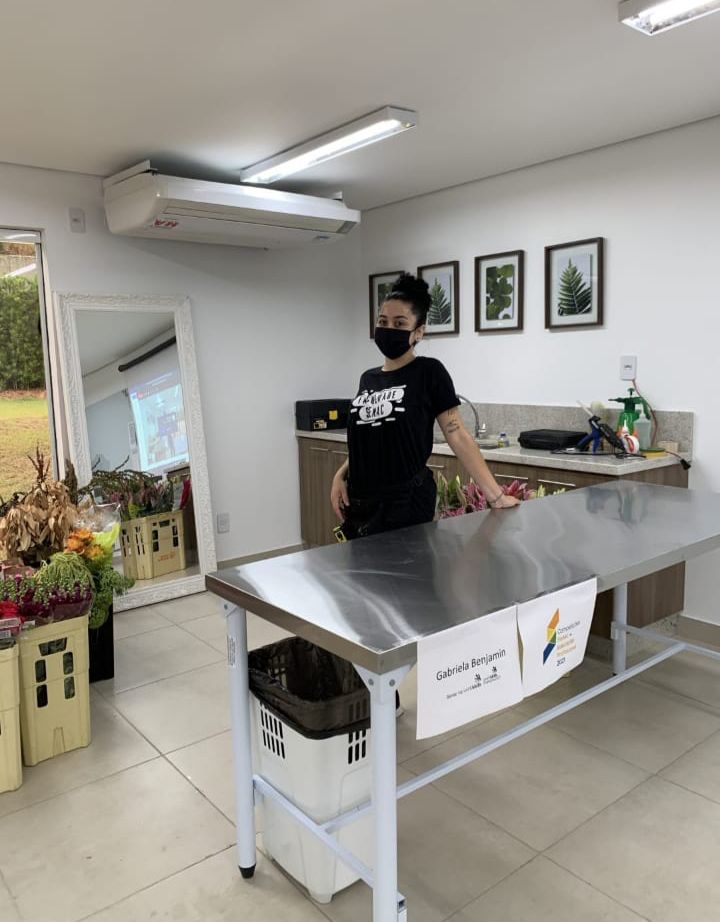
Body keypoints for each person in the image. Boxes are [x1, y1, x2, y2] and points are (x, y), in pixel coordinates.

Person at [330, 273, 519, 540]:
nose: (389, 328)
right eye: (383, 322)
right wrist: (341, 475)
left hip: (405, 503)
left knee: (406, 568)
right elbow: (372, 437)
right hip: (361, 505)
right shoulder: (368, 378)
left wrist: (496, 496)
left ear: (418, 332)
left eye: (400, 323)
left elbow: (458, 435)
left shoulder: (429, 372)